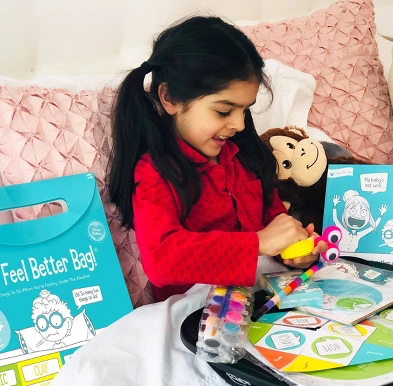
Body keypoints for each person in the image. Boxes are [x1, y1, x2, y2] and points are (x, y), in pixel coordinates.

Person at [108, 16, 326, 302]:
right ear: (169, 98)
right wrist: (258, 243)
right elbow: (162, 261)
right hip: (196, 309)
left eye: (245, 110)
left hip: (264, 295)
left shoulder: (245, 157)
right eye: (224, 111)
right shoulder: (155, 171)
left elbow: (272, 219)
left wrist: (294, 247)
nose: (238, 124)